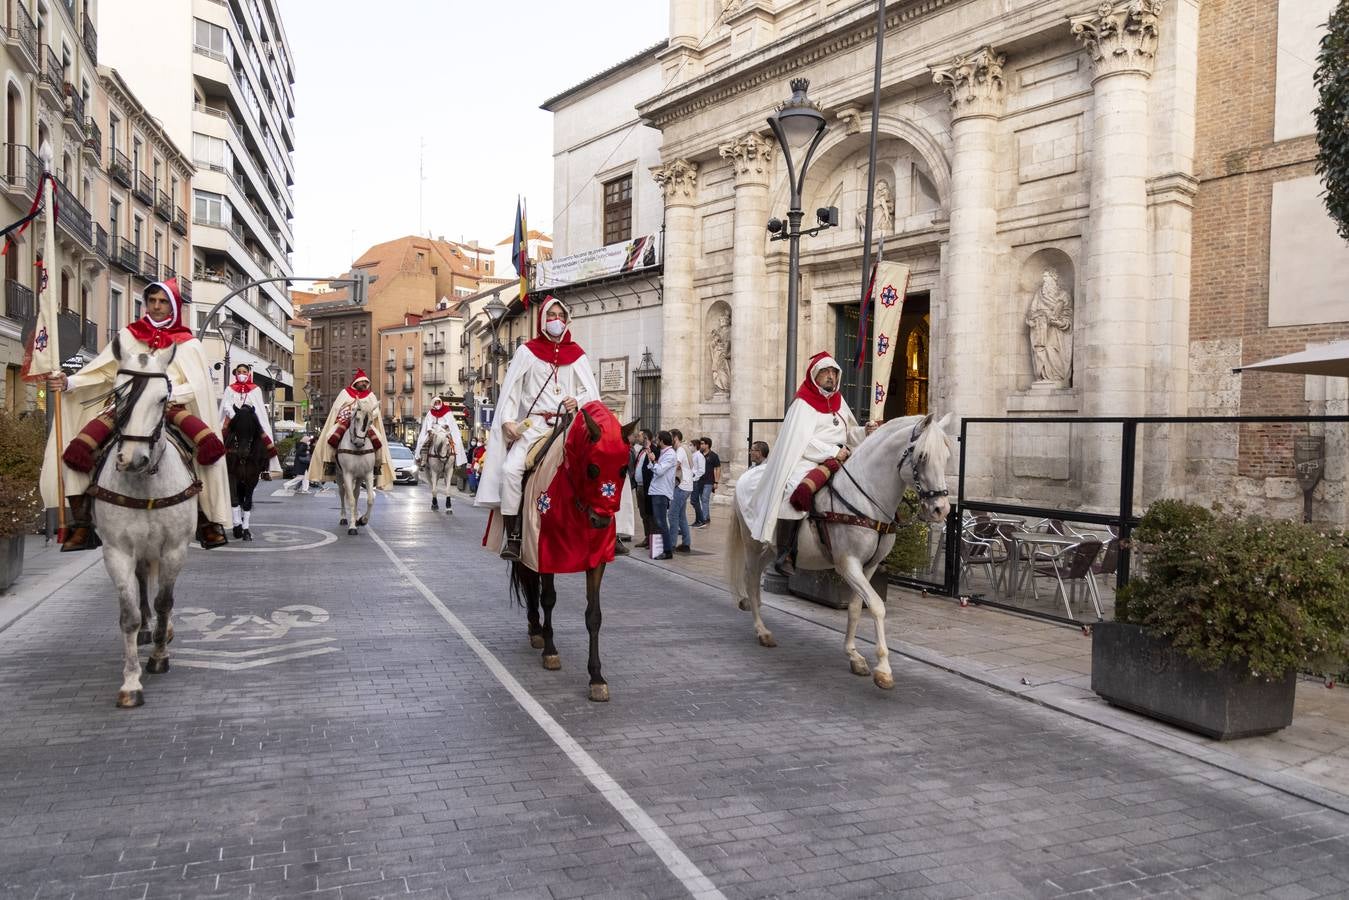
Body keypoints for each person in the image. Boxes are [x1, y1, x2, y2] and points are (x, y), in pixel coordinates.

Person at [41, 278, 231, 550]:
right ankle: (81, 523)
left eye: (163, 301)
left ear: (173, 306)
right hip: (126, 405)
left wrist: (164, 392)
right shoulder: (128, 335)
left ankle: (205, 518)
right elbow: (104, 371)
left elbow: (197, 386)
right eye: (152, 301)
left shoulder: (188, 344)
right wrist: (70, 382)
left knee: (208, 447)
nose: (156, 306)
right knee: (76, 450)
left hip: (169, 405)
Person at [475, 296, 600, 560]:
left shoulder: (577, 355)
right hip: (534, 428)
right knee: (511, 471)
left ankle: (602, 526)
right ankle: (514, 536)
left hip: (568, 425)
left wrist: (577, 400)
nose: (557, 320)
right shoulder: (527, 352)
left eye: (561, 316)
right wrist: (508, 420)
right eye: (552, 315)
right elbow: (511, 392)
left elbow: (591, 393)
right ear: (543, 320)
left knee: (600, 465)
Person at [744, 352, 878, 575]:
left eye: (834, 372)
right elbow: (802, 441)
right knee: (794, 490)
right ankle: (786, 553)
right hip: (809, 459)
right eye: (825, 372)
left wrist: (864, 431)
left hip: (843, 456)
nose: (830, 377)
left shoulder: (839, 401)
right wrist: (833, 452)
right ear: (814, 375)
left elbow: (849, 432)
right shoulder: (803, 403)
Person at [219, 362, 281, 536]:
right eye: (239, 372)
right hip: (233, 420)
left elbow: (259, 409)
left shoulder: (255, 389)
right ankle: (217, 462)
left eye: (244, 372)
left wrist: (249, 417)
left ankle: (266, 465)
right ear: (235, 374)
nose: (241, 374)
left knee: (263, 438)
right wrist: (235, 416)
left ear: (249, 373)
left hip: (251, 421)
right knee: (219, 439)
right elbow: (226, 406)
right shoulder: (230, 388)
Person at [307, 370, 395, 491]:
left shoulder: (370, 395)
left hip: (363, 423)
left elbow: (376, 410)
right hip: (345, 420)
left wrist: (367, 414)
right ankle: (330, 463)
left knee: (378, 438)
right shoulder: (345, 393)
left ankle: (377, 465)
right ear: (356, 382)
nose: (364, 384)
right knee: (330, 435)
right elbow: (336, 408)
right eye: (362, 381)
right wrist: (348, 412)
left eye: (366, 382)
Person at [414, 396, 468, 471]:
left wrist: (446, 425)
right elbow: (428, 422)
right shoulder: (430, 412)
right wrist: (429, 429)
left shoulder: (447, 410)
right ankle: (423, 459)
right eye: (435, 403)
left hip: (444, 430)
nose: (437, 404)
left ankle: (456, 461)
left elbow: (450, 421)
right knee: (423, 441)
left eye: (438, 402)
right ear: (433, 403)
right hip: (434, 430)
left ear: (440, 402)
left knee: (456, 442)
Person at [645, 430, 677, 560]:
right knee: (659, 522)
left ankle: (668, 550)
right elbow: (653, 467)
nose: (656, 441)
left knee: (661, 522)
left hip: (661, 491)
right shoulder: (664, 453)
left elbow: (659, 471)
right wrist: (651, 460)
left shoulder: (670, 454)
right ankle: (665, 549)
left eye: (657, 439)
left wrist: (653, 461)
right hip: (656, 490)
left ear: (663, 441)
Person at [670, 429, 695, 553]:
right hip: (687, 486)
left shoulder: (680, 450)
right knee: (681, 516)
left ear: (675, 438)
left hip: (681, 487)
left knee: (672, 515)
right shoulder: (686, 448)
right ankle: (686, 543)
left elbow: (676, 465)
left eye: (670, 437)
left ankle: (671, 544)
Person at [631, 429, 656, 548]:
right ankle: (647, 537)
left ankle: (652, 539)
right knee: (643, 514)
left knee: (649, 513)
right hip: (639, 486)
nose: (637, 438)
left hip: (648, 487)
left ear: (645, 437)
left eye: (640, 436)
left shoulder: (653, 450)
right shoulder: (641, 450)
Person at [694, 438, 721, 527]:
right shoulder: (698, 455)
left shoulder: (714, 456)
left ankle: (704, 519)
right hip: (699, 481)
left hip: (709, 481)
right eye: (700, 444)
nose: (701, 445)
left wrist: (716, 482)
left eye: (702, 444)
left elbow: (717, 468)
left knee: (705, 499)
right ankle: (706, 517)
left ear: (707, 445)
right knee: (701, 499)